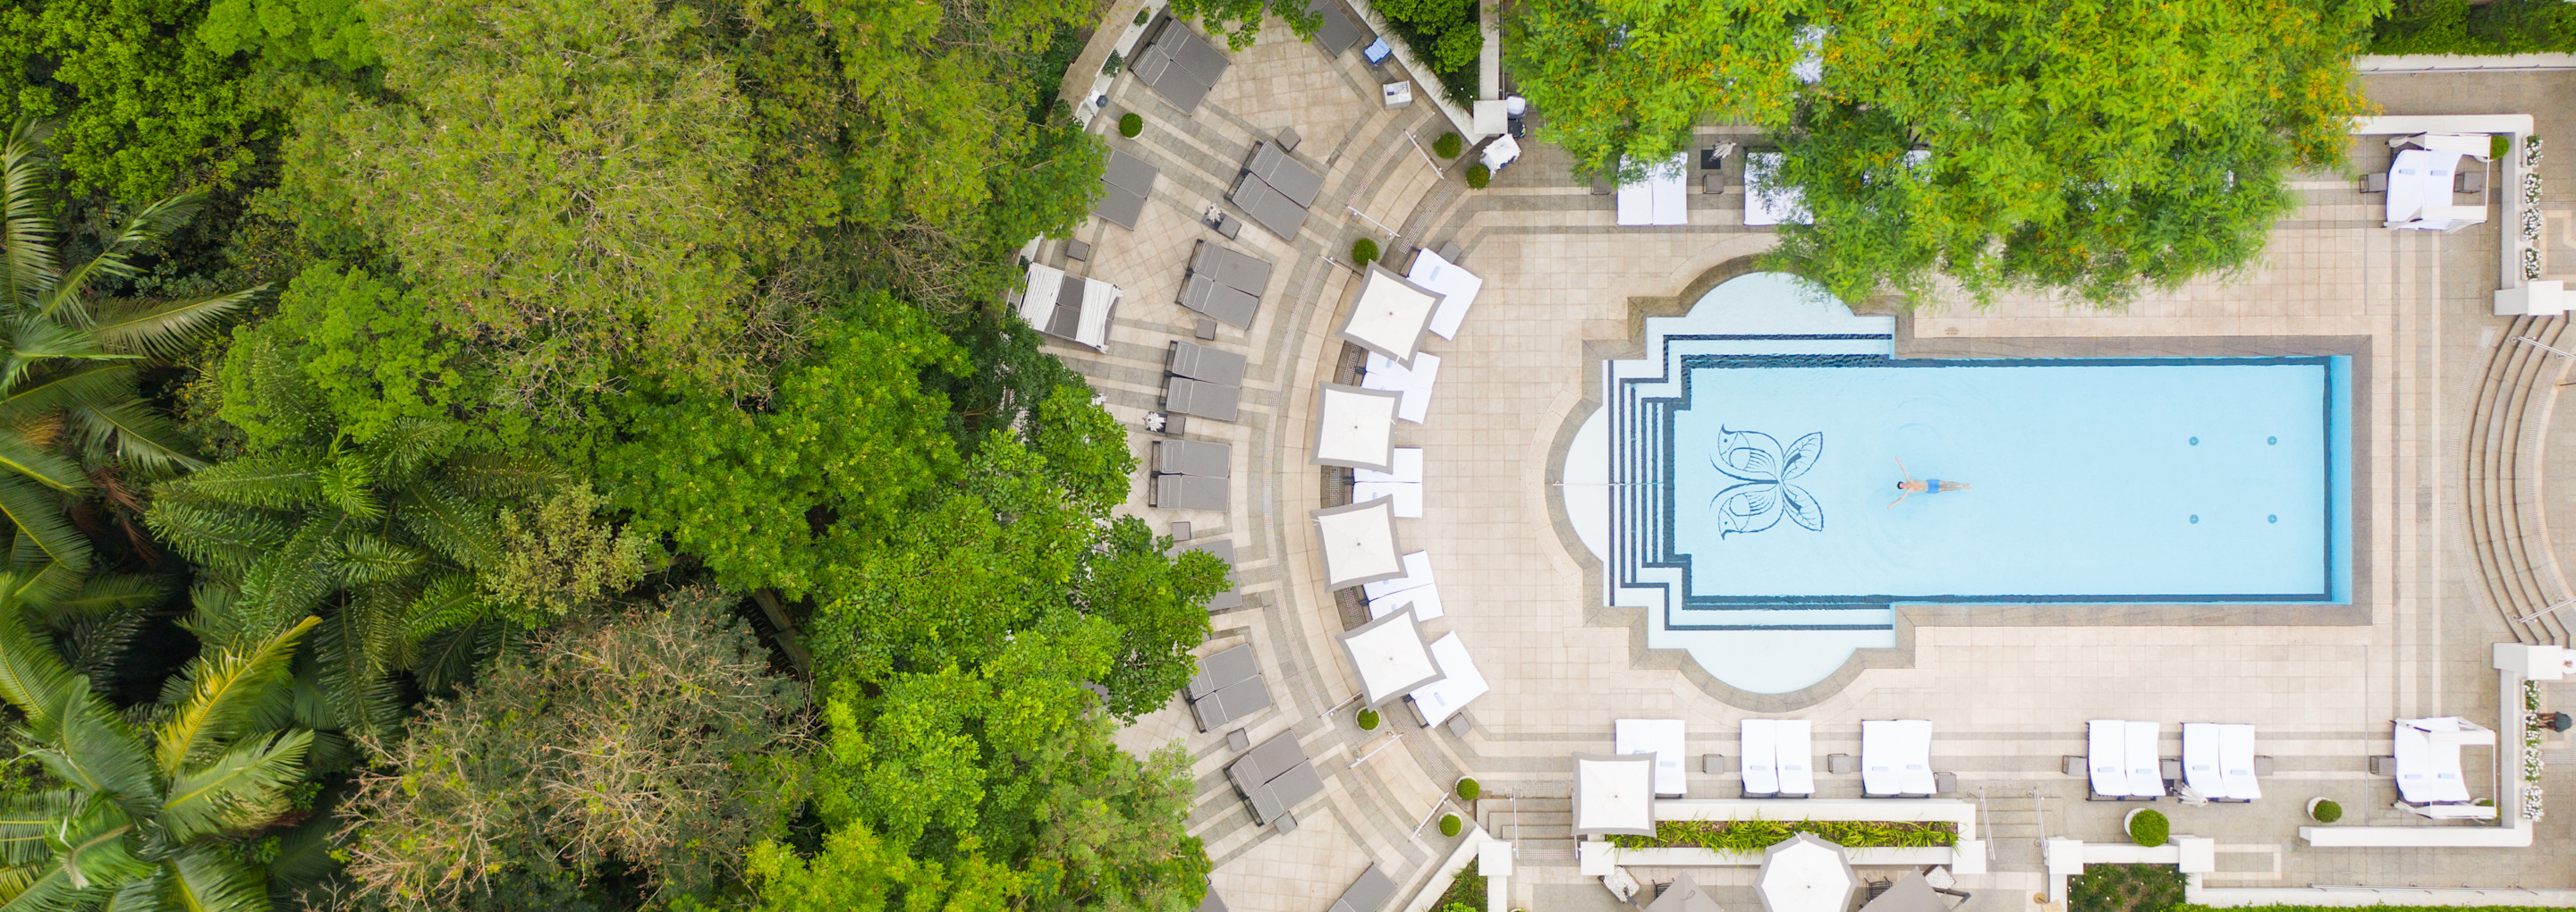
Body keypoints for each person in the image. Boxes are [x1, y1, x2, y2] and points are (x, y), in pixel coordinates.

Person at [1887, 457, 1968, 508]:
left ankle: (1962, 484)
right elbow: (1901, 499)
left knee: (1945, 483)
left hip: (1929, 483)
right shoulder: (1908, 491)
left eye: (1902, 484)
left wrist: (1899, 462)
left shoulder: (1909, 480)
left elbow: (1904, 471)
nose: (1904, 485)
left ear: (1903, 482)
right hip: (1929, 490)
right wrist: (1892, 505)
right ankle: (1962, 488)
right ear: (1903, 488)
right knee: (1945, 489)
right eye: (1902, 487)